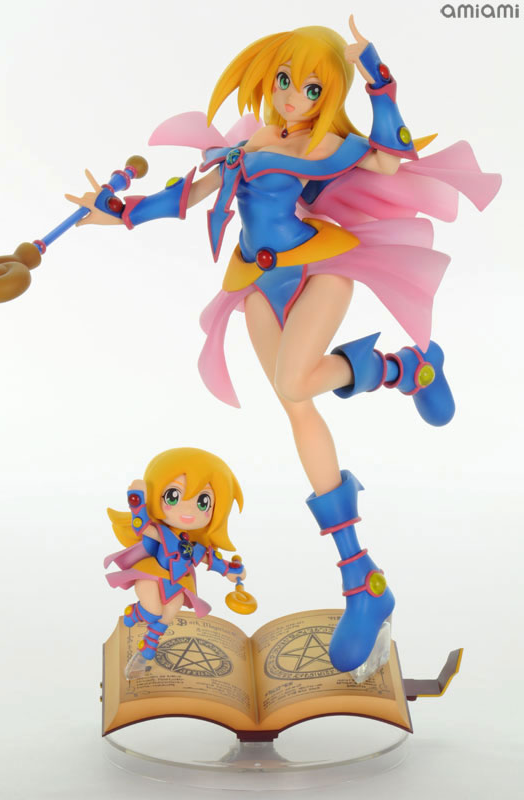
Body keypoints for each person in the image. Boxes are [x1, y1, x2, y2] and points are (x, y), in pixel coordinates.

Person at [69, 18, 500, 679]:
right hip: (256, 283)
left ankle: (364, 563)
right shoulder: (247, 142)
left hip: (318, 267)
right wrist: (120, 212)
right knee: (295, 402)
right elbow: (190, 194)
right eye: (285, 81)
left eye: (312, 87)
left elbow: (390, 158)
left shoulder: (329, 141)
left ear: (330, 94)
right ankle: (401, 382)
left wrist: (378, 78)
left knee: (297, 383)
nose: (294, 97)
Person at [104, 447, 245, 676]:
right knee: (153, 610)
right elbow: (141, 526)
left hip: (177, 584)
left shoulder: (194, 547)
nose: (188, 509)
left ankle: (146, 651)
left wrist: (231, 570)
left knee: (168, 614)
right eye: (173, 496)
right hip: (152, 575)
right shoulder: (162, 534)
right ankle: (135, 614)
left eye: (203, 502)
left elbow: (212, 560)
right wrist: (137, 499)